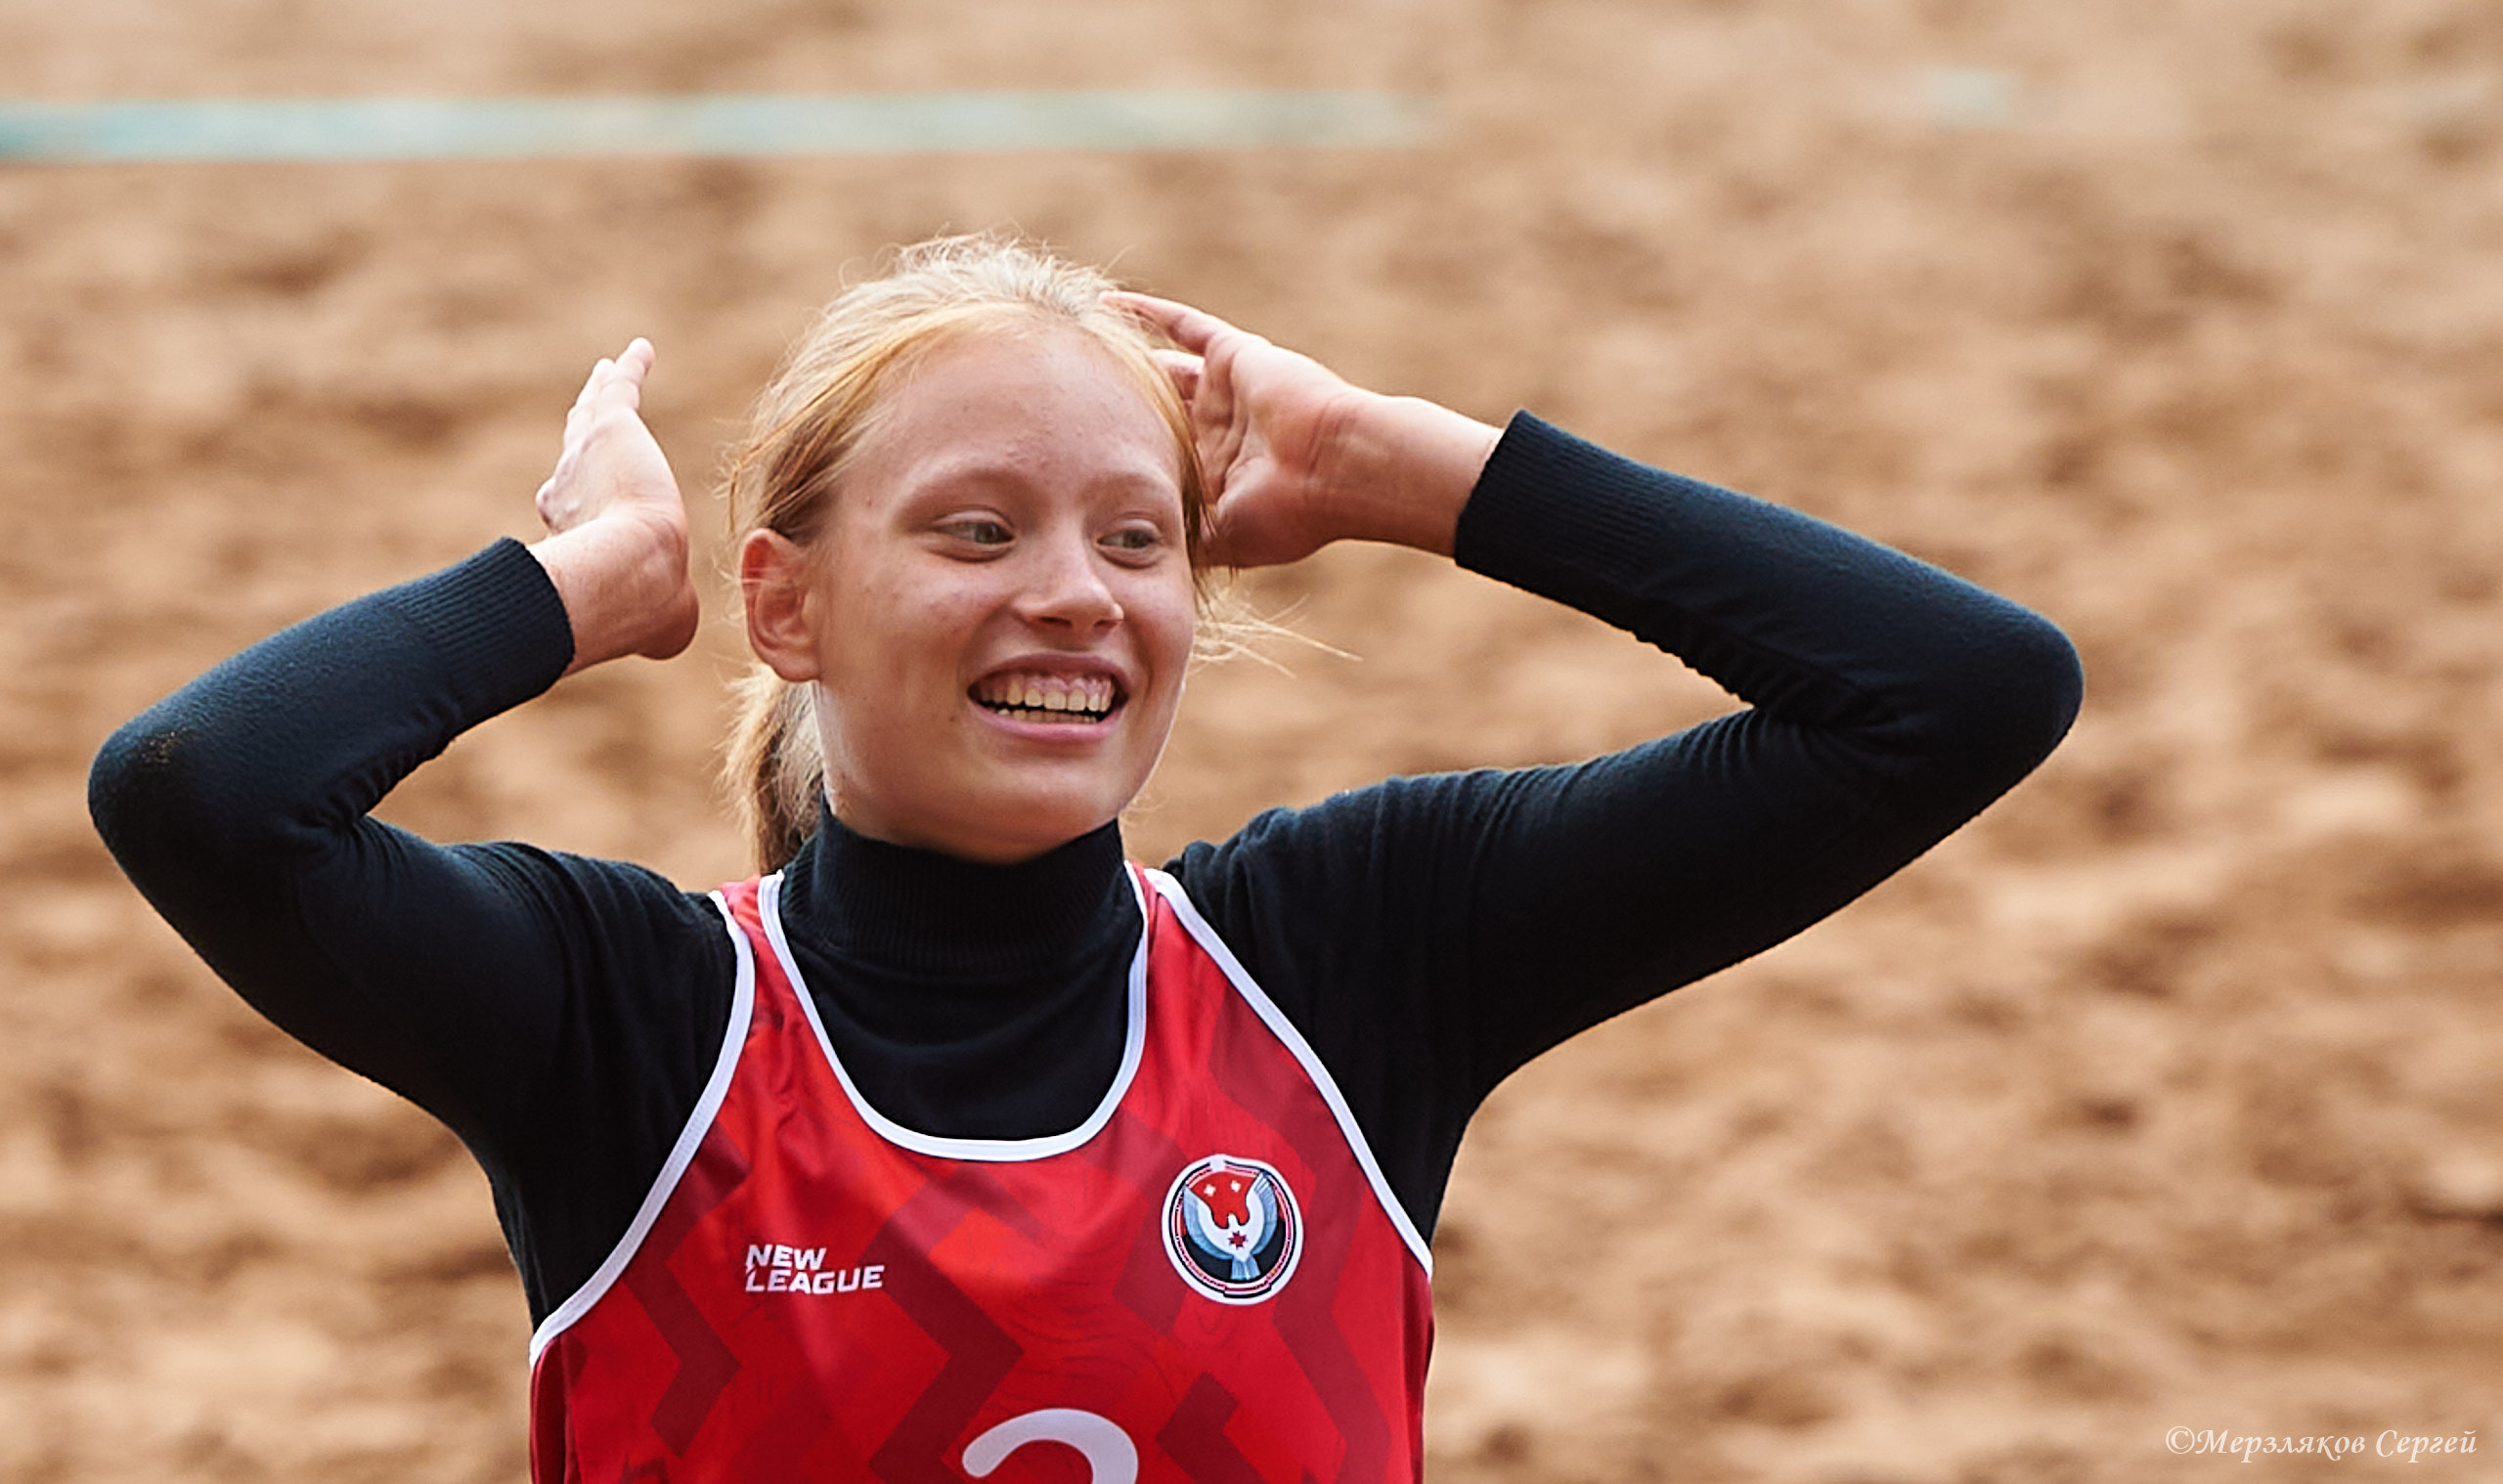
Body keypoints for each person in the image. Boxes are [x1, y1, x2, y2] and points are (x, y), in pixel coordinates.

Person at [89, 234, 2082, 1481]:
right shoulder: (636, 1023)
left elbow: (1957, 693)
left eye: (1137, 538)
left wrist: (1400, 469)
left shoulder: (1339, 965)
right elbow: (200, 792)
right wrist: (590, 579)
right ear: (783, 604)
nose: (1076, 594)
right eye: (977, 530)